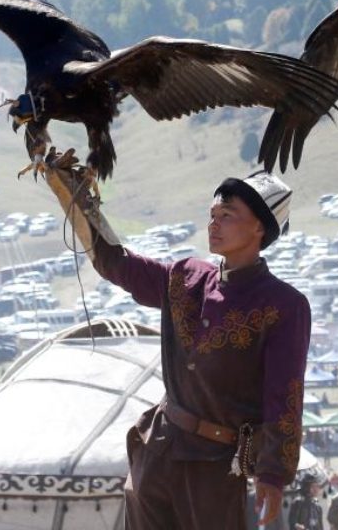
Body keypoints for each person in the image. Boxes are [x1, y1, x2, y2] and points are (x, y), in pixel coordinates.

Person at [48, 162, 310, 529]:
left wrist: (274, 474)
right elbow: (120, 266)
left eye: (228, 215)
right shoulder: (187, 277)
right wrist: (77, 204)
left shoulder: (283, 305)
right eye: (213, 214)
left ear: (259, 228)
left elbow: (285, 394)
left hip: (217, 467)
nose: (214, 223)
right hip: (157, 447)